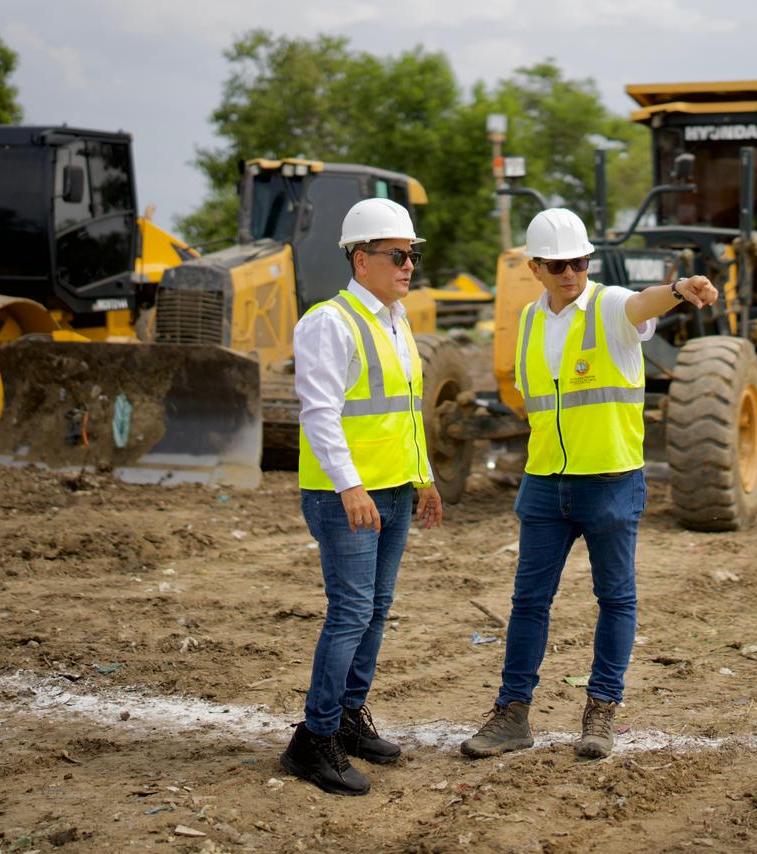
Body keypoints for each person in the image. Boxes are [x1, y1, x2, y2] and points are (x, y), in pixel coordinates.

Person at [461, 208, 717, 760]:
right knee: (529, 601)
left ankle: (600, 709)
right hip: (545, 481)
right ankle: (512, 714)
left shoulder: (610, 307)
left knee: (615, 599)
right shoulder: (530, 320)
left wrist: (677, 288)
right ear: (536, 268)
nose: (570, 273)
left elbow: (642, 303)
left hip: (610, 480)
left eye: (578, 262)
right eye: (558, 265)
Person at [281, 197, 443, 796]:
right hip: (345, 495)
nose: (408, 265)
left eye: (412, 255)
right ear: (360, 258)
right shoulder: (330, 322)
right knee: (350, 612)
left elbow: (404, 414)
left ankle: (348, 718)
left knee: (374, 611)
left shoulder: (397, 321)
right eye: (397, 255)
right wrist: (350, 485)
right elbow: (319, 413)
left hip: (395, 490)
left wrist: (423, 476)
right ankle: (313, 740)